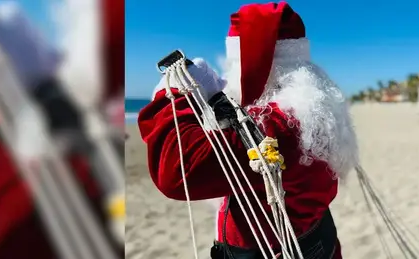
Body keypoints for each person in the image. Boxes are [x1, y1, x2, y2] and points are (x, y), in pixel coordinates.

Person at [138, 2, 359, 258]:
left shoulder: (281, 122)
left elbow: (177, 173)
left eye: (235, 64)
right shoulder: (316, 107)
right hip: (318, 242)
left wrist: (175, 95)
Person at [0, 1, 124, 258]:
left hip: (38, 192)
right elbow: (86, 85)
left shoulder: (3, 22)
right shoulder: (4, 23)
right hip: (43, 194)